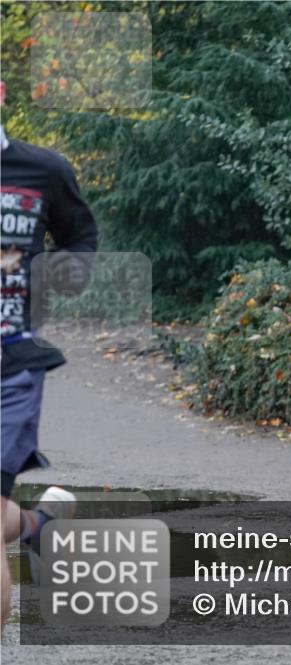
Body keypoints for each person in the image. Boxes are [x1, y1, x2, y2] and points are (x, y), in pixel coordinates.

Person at [1, 79, 99, 627]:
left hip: (9, 364)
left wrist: (67, 272)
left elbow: (80, 236)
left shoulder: (43, 170)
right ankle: (40, 525)